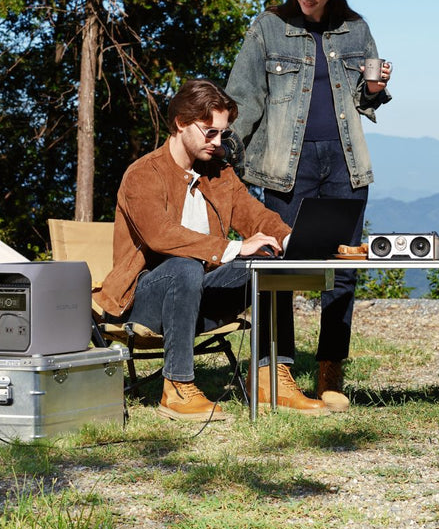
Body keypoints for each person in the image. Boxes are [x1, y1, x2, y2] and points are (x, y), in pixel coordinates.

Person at [98, 78, 329, 421]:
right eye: (209, 132)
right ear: (180, 123)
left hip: (199, 296)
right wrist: (233, 247)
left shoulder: (217, 173)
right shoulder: (144, 174)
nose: (218, 142)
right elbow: (160, 235)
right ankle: (176, 387)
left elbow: (255, 216)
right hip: (144, 301)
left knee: (270, 263)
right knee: (185, 265)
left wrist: (294, 242)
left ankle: (269, 380)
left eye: (223, 133)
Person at [226, 0, 392, 413]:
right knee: (279, 268)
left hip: (345, 166)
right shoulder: (267, 29)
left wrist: (377, 90)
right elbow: (244, 100)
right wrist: (223, 157)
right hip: (284, 167)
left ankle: (330, 371)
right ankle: (277, 372)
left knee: (343, 270)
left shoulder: (357, 30)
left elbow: (365, 101)